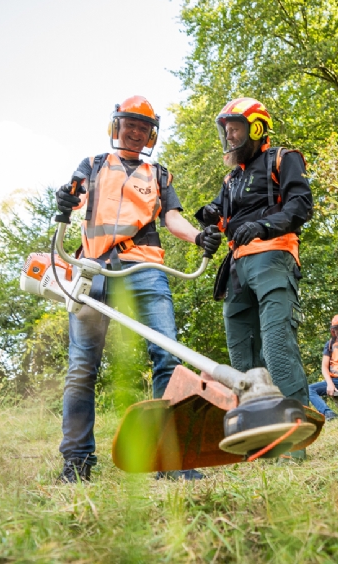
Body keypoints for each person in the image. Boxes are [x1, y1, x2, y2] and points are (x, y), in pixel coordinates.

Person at [53, 95, 222, 483]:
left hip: (145, 268)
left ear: (151, 135)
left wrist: (200, 239)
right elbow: (74, 197)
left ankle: (169, 459)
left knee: (168, 358)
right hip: (92, 269)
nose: (135, 131)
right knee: (81, 369)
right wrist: (65, 198)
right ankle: (76, 463)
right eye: (129, 124)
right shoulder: (93, 165)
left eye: (143, 127)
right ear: (116, 127)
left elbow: (173, 219)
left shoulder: (158, 174)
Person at [195, 97, 313, 457]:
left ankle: (294, 442)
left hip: (273, 258)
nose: (229, 136)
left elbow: (300, 205)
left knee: (277, 347)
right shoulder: (231, 178)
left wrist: (263, 225)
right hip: (236, 270)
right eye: (226, 129)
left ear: (256, 129)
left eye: (235, 128)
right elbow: (217, 219)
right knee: (242, 359)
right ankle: (261, 440)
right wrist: (210, 222)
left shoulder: (282, 158)